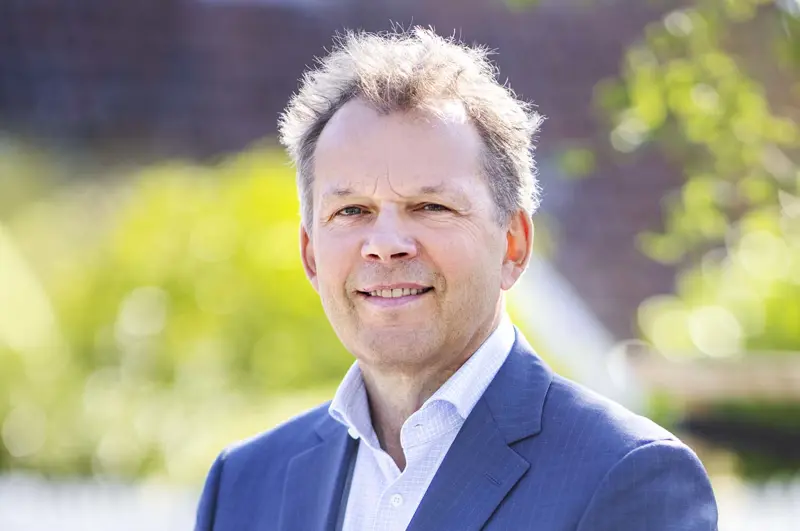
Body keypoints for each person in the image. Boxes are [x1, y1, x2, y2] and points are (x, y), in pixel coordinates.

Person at [195, 27, 718, 531]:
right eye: (352, 210)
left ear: (513, 244)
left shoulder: (627, 476)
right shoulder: (243, 485)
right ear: (311, 254)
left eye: (431, 206)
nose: (385, 243)